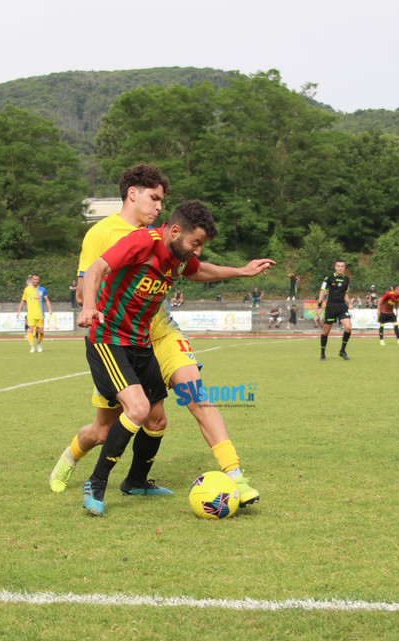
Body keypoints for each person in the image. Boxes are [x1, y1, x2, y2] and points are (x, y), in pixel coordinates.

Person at [48, 164, 272, 510]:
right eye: (154, 198)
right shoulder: (112, 235)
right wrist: (91, 305)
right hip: (112, 335)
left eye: (162, 200)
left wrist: (242, 270)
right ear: (132, 194)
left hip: (157, 333)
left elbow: (196, 268)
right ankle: (71, 459)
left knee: (181, 403)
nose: (158, 206)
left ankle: (233, 477)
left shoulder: (171, 244)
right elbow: (88, 279)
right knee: (104, 430)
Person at [318, 260, 352, 360]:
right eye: (338, 266)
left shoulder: (346, 279)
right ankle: (322, 353)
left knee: (348, 328)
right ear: (335, 267)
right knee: (326, 332)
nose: (340, 268)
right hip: (331, 306)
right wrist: (319, 306)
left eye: (342, 266)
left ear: (344, 268)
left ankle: (342, 351)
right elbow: (322, 291)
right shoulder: (329, 278)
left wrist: (349, 303)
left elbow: (346, 294)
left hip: (342, 306)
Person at [16, 274, 52, 353]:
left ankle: (38, 343)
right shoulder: (27, 290)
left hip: (40, 314)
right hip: (31, 314)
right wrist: (18, 311)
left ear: (39, 280)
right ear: (31, 280)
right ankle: (31, 346)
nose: (36, 281)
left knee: (41, 332)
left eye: (37, 279)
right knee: (31, 329)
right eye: (34, 279)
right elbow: (23, 301)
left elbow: (46, 300)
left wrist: (49, 309)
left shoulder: (42, 289)